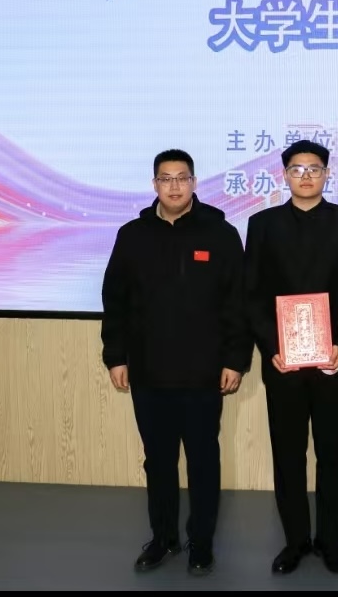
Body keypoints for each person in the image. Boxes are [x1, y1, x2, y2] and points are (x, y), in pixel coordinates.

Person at [99, 149, 251, 576]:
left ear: (194, 182)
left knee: (203, 461)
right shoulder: (133, 235)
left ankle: (201, 542)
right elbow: (115, 301)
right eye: (165, 179)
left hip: (204, 373)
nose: (174, 186)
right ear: (154, 185)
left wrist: (235, 359)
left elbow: (237, 303)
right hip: (149, 371)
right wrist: (116, 357)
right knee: (158, 461)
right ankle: (163, 538)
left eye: (182, 178)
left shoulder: (220, 233)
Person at [243, 140, 338, 575]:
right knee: (288, 455)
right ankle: (295, 541)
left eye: (314, 169)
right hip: (284, 364)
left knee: (333, 455)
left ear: (327, 174)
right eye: (297, 169)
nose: (305, 176)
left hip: (334, 362)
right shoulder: (262, 224)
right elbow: (253, 295)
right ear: (284, 175)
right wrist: (273, 347)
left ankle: (330, 542)